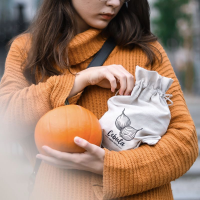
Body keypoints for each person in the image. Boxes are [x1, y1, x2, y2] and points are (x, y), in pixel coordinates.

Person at [0, 0, 198, 199]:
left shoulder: (143, 49)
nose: (114, 3)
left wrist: (110, 165)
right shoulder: (28, 50)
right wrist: (77, 82)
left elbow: (185, 143)